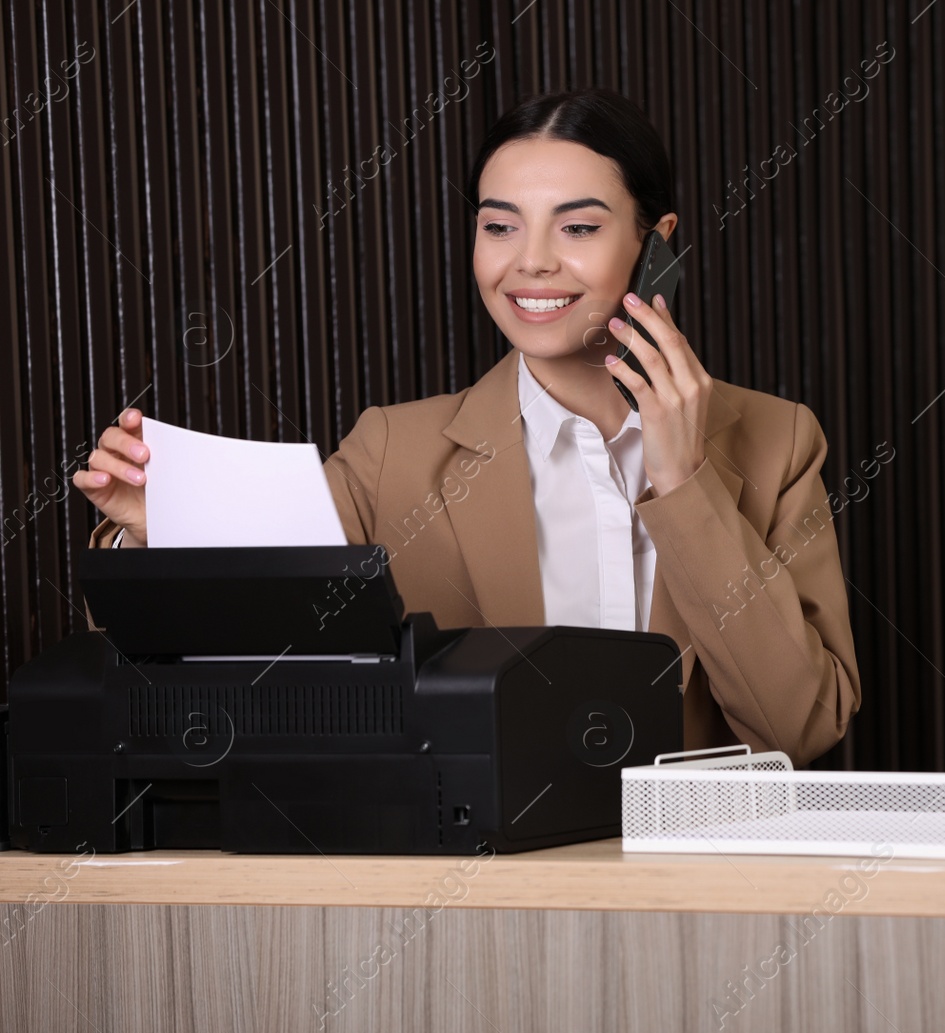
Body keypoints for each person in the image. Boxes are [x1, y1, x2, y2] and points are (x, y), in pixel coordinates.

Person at [72, 88, 861, 765]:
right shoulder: (393, 454)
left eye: (578, 228)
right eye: (500, 225)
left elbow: (798, 726)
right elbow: (240, 654)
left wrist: (685, 486)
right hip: (468, 906)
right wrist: (160, 534)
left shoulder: (776, 439)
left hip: (693, 897)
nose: (532, 263)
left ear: (656, 246)